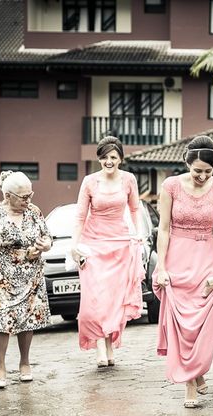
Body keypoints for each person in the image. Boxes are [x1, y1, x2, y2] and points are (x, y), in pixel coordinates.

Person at [154, 135, 213, 408]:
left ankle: (198, 368)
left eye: (208, 172)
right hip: (177, 256)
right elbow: (163, 228)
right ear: (187, 164)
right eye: (197, 170)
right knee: (183, 324)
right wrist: (161, 265)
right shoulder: (171, 186)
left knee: (204, 319)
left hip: (205, 257)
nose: (202, 176)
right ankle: (190, 383)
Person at [0, 171, 53, 388]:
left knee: (27, 319)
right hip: (2, 278)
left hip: (30, 276)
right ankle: (0, 367)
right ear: (7, 196)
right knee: (1, 321)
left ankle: (25, 363)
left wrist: (45, 245)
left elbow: (47, 237)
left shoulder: (34, 212)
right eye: (23, 197)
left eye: (30, 195)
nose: (28, 200)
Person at [71, 136, 144, 367]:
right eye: (104, 157)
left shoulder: (129, 180)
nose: (108, 161)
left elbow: (134, 209)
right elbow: (81, 215)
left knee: (113, 300)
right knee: (96, 298)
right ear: (99, 159)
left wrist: (137, 234)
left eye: (113, 157)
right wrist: (75, 246)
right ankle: (100, 348)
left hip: (120, 244)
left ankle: (110, 345)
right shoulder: (90, 182)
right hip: (93, 245)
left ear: (120, 158)